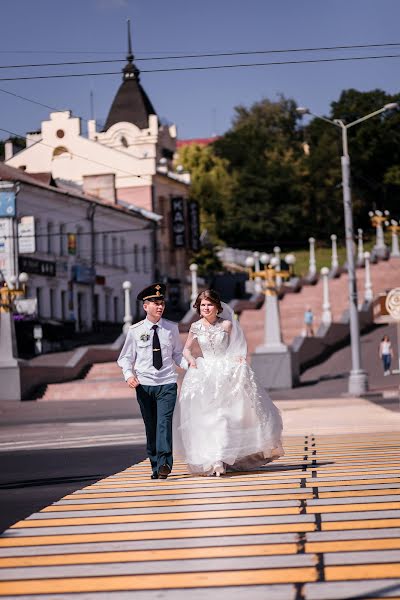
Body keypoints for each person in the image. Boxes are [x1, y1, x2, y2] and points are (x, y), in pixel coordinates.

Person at [173, 289, 284, 476]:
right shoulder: (195, 327)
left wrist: (238, 359)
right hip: (205, 373)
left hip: (226, 371)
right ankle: (214, 460)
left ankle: (223, 457)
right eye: (203, 305)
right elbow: (186, 350)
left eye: (209, 304)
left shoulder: (227, 325)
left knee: (225, 418)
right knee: (207, 419)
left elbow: (238, 347)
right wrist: (191, 360)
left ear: (217, 307)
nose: (206, 308)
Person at [117, 283, 186, 480]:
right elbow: (125, 358)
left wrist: (192, 366)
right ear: (145, 306)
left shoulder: (171, 328)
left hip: (167, 383)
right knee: (151, 425)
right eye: (155, 303)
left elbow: (177, 355)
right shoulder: (135, 330)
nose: (159, 306)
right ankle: (155, 465)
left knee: (164, 423)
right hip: (144, 385)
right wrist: (129, 375)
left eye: (161, 302)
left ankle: (165, 463)